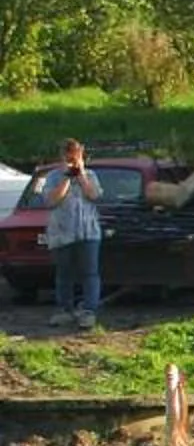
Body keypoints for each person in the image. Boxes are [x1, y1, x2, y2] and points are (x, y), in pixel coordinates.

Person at [38, 141, 102, 329]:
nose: (71, 160)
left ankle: (89, 312)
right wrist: (66, 177)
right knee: (64, 274)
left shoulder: (90, 175)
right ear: (62, 157)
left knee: (90, 273)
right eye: (68, 157)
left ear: (81, 156)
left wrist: (80, 174)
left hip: (88, 232)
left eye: (75, 156)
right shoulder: (52, 177)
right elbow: (51, 201)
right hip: (62, 233)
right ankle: (65, 310)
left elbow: (94, 195)